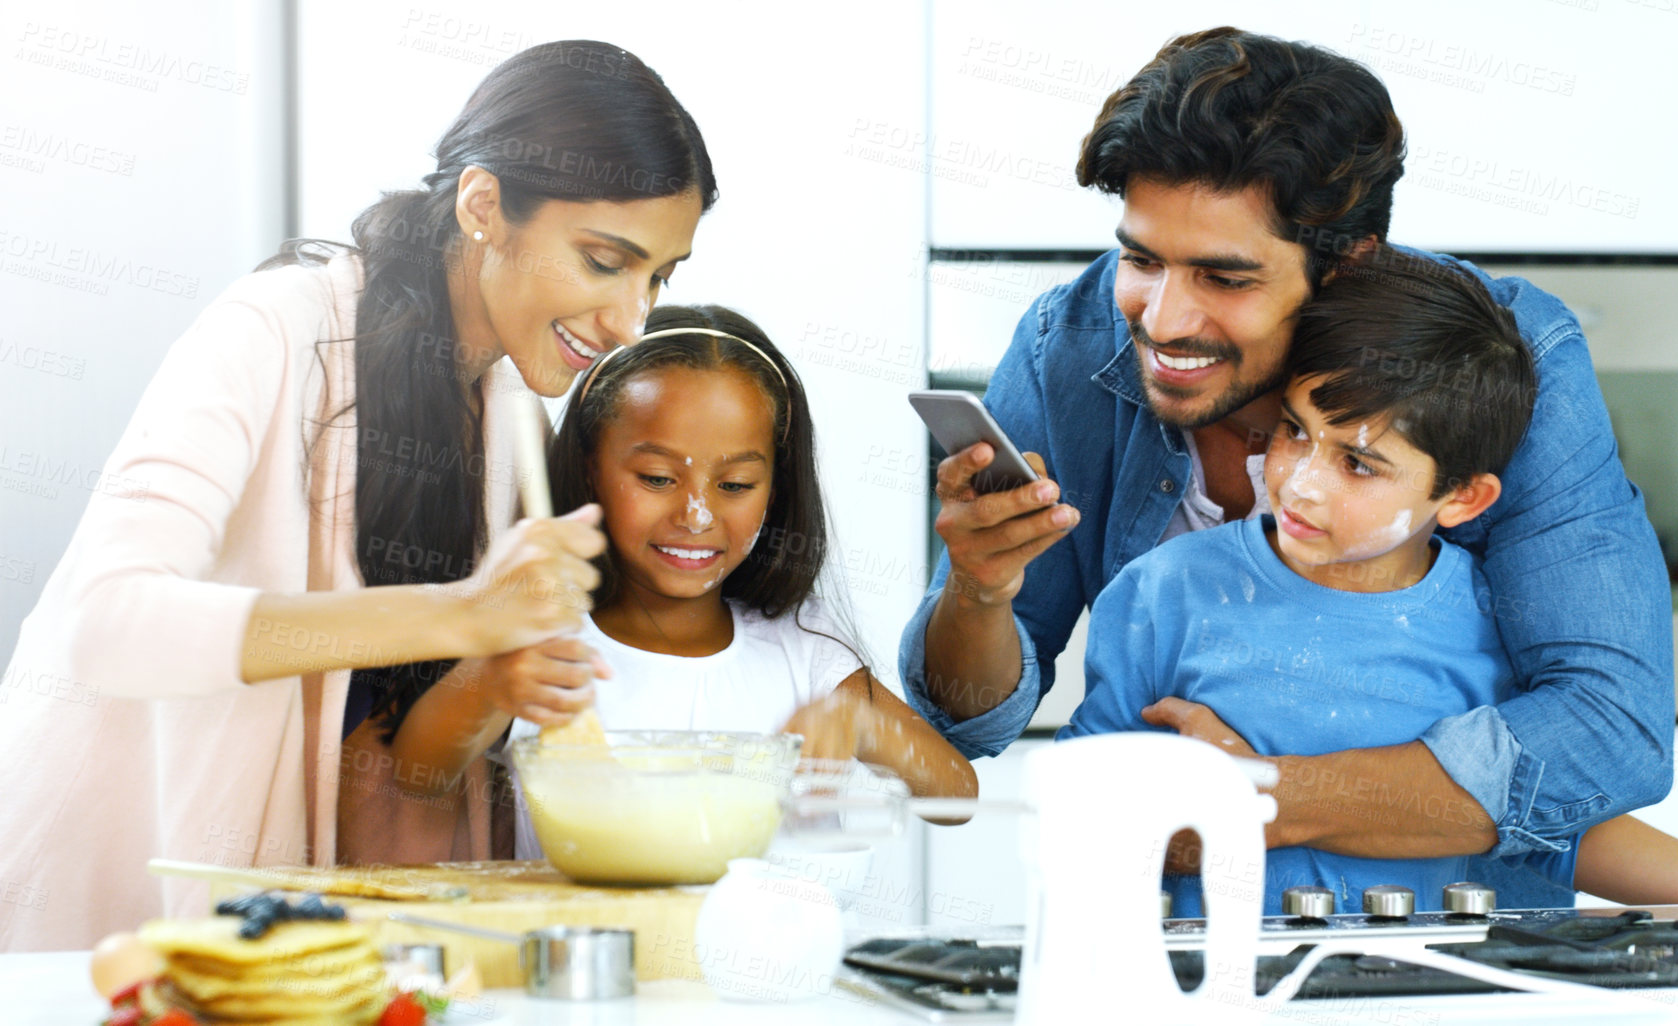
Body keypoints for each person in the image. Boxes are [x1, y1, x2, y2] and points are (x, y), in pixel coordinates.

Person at [899, 25, 1678, 883]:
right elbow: (968, 726)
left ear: (1346, 266)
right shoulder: (1069, 345)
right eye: (1140, 258)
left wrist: (1256, 802)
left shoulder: (1498, 359)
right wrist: (977, 592)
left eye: (1224, 279)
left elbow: (1610, 730)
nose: (1162, 322)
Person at [0, 40, 712, 951]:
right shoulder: (275, 331)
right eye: (603, 261)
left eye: (659, 276)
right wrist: (457, 613)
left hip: (302, 946)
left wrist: (496, 669)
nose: (629, 321)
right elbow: (106, 626)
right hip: (99, 933)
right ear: (483, 205)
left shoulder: (508, 423)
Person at [1061, 253, 1678, 914]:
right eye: (1292, 433)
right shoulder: (1163, 594)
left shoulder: (1494, 623)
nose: (1300, 484)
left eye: (1357, 462)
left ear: (1462, 498)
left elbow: (1556, 831)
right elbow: (1084, 818)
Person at [388, 305, 978, 839]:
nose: (696, 516)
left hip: (771, 958)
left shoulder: (804, 649)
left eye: (735, 486)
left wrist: (863, 723)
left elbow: (956, 798)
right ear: (590, 467)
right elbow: (417, 776)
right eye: (657, 479)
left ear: (777, 485)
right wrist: (492, 681)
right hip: (593, 955)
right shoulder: (544, 636)